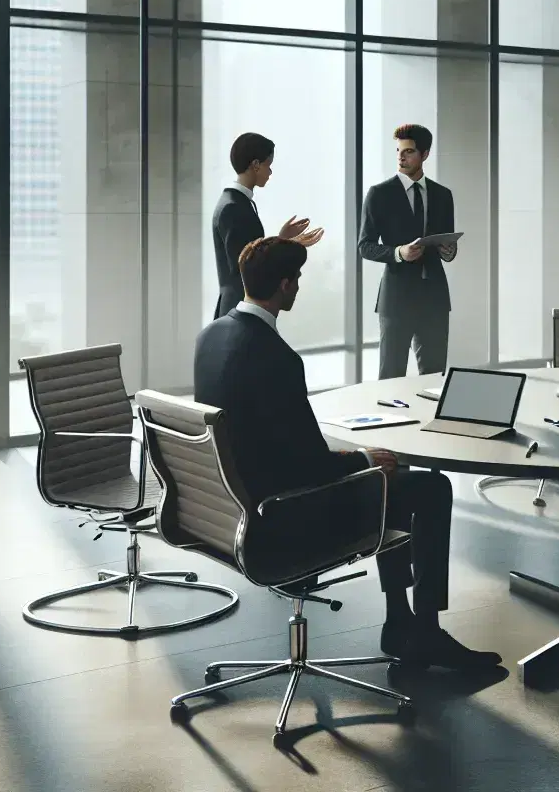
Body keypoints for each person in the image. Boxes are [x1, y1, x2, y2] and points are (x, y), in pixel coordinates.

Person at [194, 236, 500, 672]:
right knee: (429, 487)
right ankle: (423, 630)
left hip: (233, 510)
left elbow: (273, 439)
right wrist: (364, 461)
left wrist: (363, 462)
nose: (298, 287)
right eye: (296, 279)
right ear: (284, 285)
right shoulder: (277, 357)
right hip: (284, 518)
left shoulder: (211, 337)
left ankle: (400, 623)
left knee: (389, 477)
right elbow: (310, 466)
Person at [359, 123, 456, 379]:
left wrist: (448, 250)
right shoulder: (379, 194)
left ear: (424, 155)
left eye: (409, 151)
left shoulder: (443, 195)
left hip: (434, 298)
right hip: (397, 299)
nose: (401, 157)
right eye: (399, 151)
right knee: (390, 377)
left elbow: (447, 247)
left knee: (434, 378)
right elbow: (365, 246)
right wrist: (398, 252)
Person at [210, 132, 323, 319]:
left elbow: (250, 254)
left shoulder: (237, 203)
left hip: (240, 307)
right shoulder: (233, 208)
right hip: (240, 309)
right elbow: (246, 266)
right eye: (268, 165)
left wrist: (282, 240)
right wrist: (286, 244)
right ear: (255, 165)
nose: (270, 173)